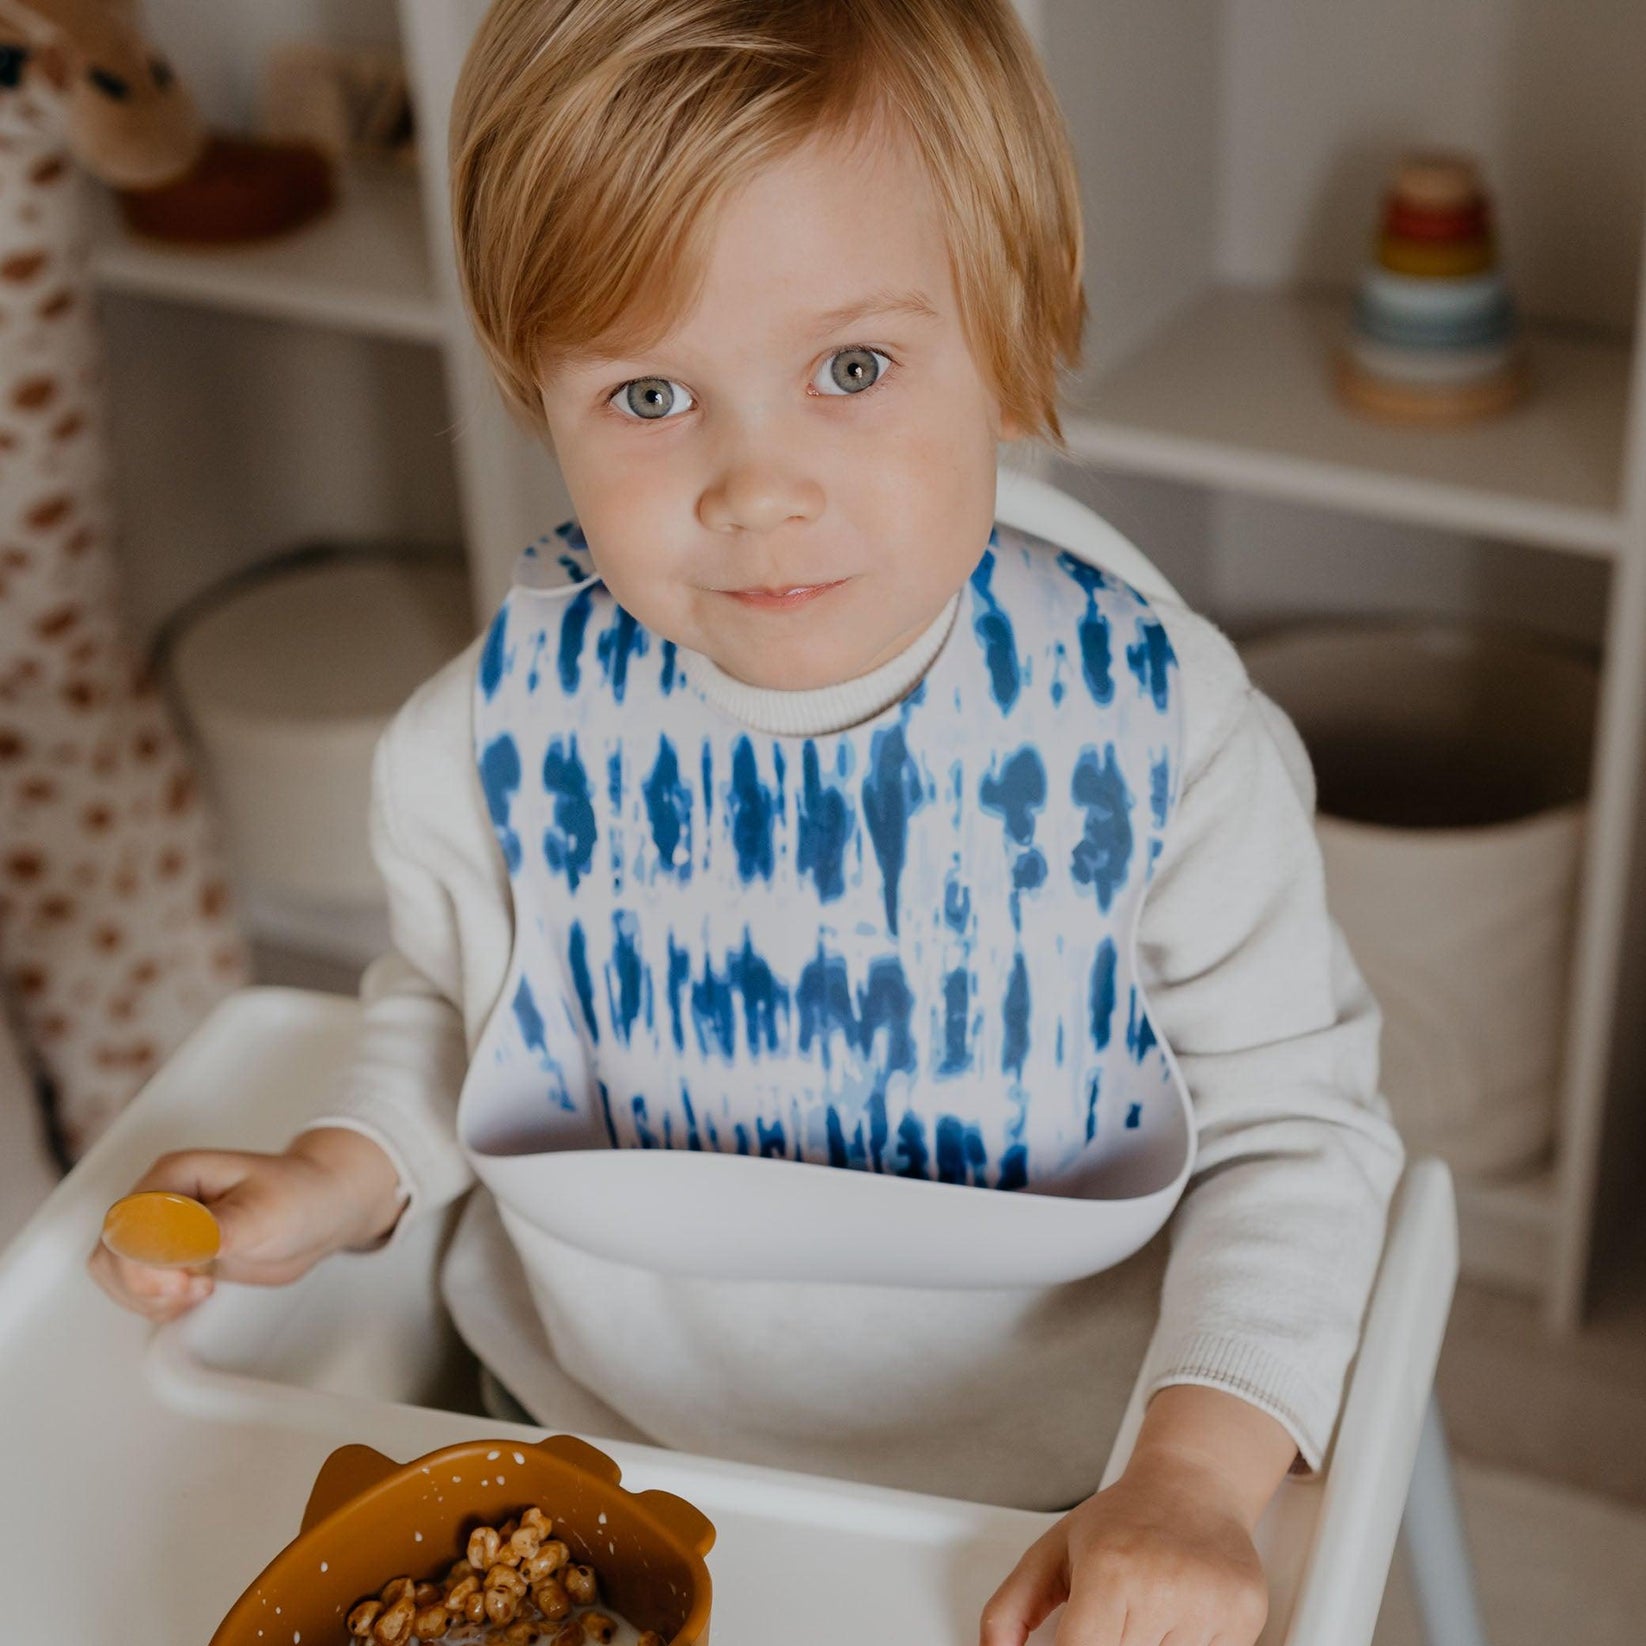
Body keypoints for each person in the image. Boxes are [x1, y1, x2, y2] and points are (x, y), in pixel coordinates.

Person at [90, 3, 1405, 1642]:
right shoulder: (487, 740)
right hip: (579, 1467)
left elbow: (1292, 1137)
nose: (755, 487)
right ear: (534, 386)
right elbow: (461, 1019)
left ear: (1014, 326)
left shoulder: (1162, 737)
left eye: (851, 369)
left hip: (1037, 1518)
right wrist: (335, 1177)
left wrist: (1195, 1477)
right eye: (649, 394)